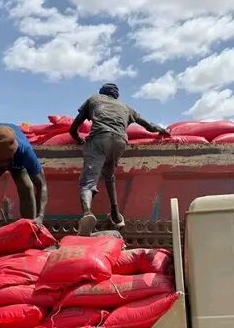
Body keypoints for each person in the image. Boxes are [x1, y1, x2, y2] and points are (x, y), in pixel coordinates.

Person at [69, 83, 169, 236]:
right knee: (109, 176)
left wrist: (78, 139)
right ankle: (115, 213)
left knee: (88, 183)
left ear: (102, 92)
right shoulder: (126, 107)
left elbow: (74, 127)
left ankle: (87, 213)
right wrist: (163, 131)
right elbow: (149, 126)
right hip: (120, 141)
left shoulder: (94, 99)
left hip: (99, 139)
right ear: (116, 96)